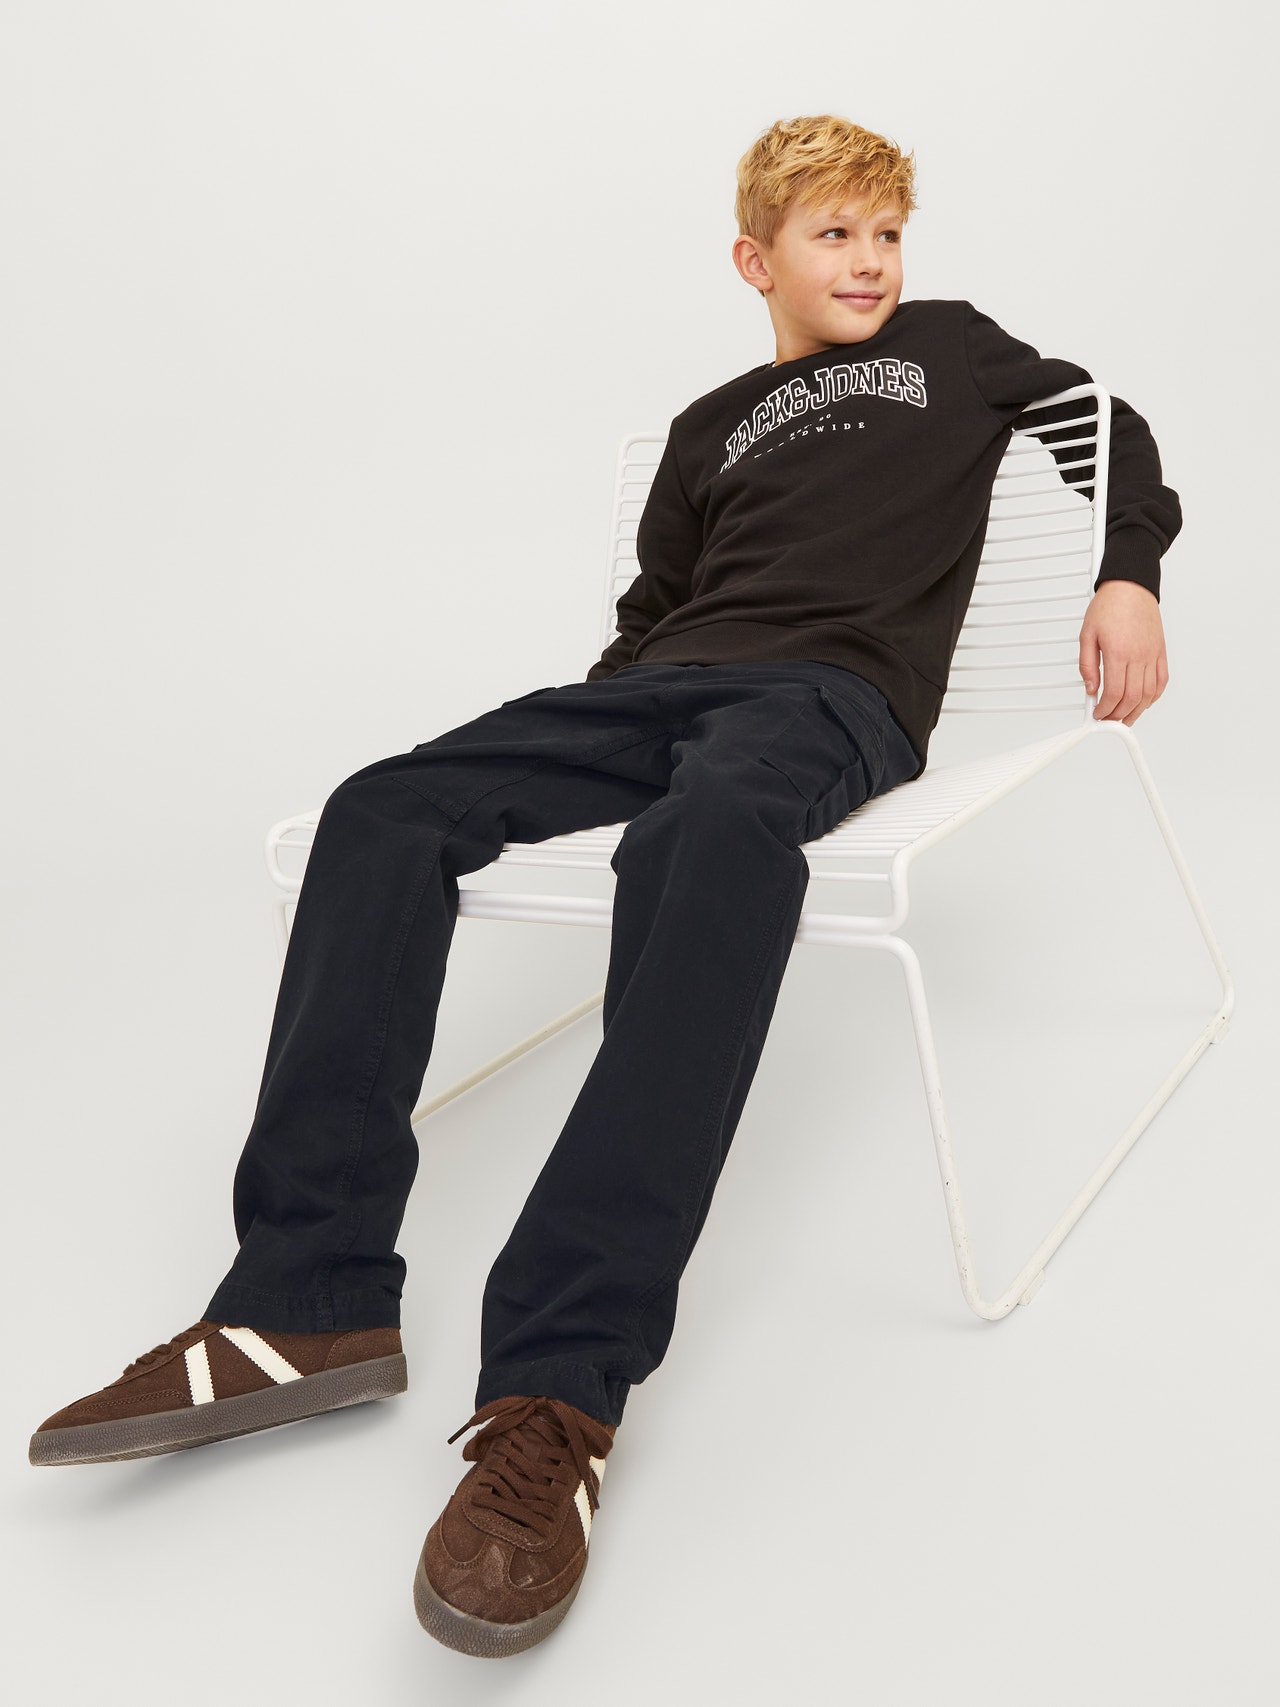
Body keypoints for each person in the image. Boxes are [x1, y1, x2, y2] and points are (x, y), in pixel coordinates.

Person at [27, 113, 1181, 1659]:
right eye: (834, 235)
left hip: (829, 697)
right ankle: (305, 1297)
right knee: (384, 810)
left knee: (702, 837)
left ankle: (557, 1394)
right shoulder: (712, 424)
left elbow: (1112, 429)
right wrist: (586, 731)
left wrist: (1128, 572)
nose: (870, 262)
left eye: (888, 235)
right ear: (754, 260)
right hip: (658, 689)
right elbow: (655, 605)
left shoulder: (954, 348)